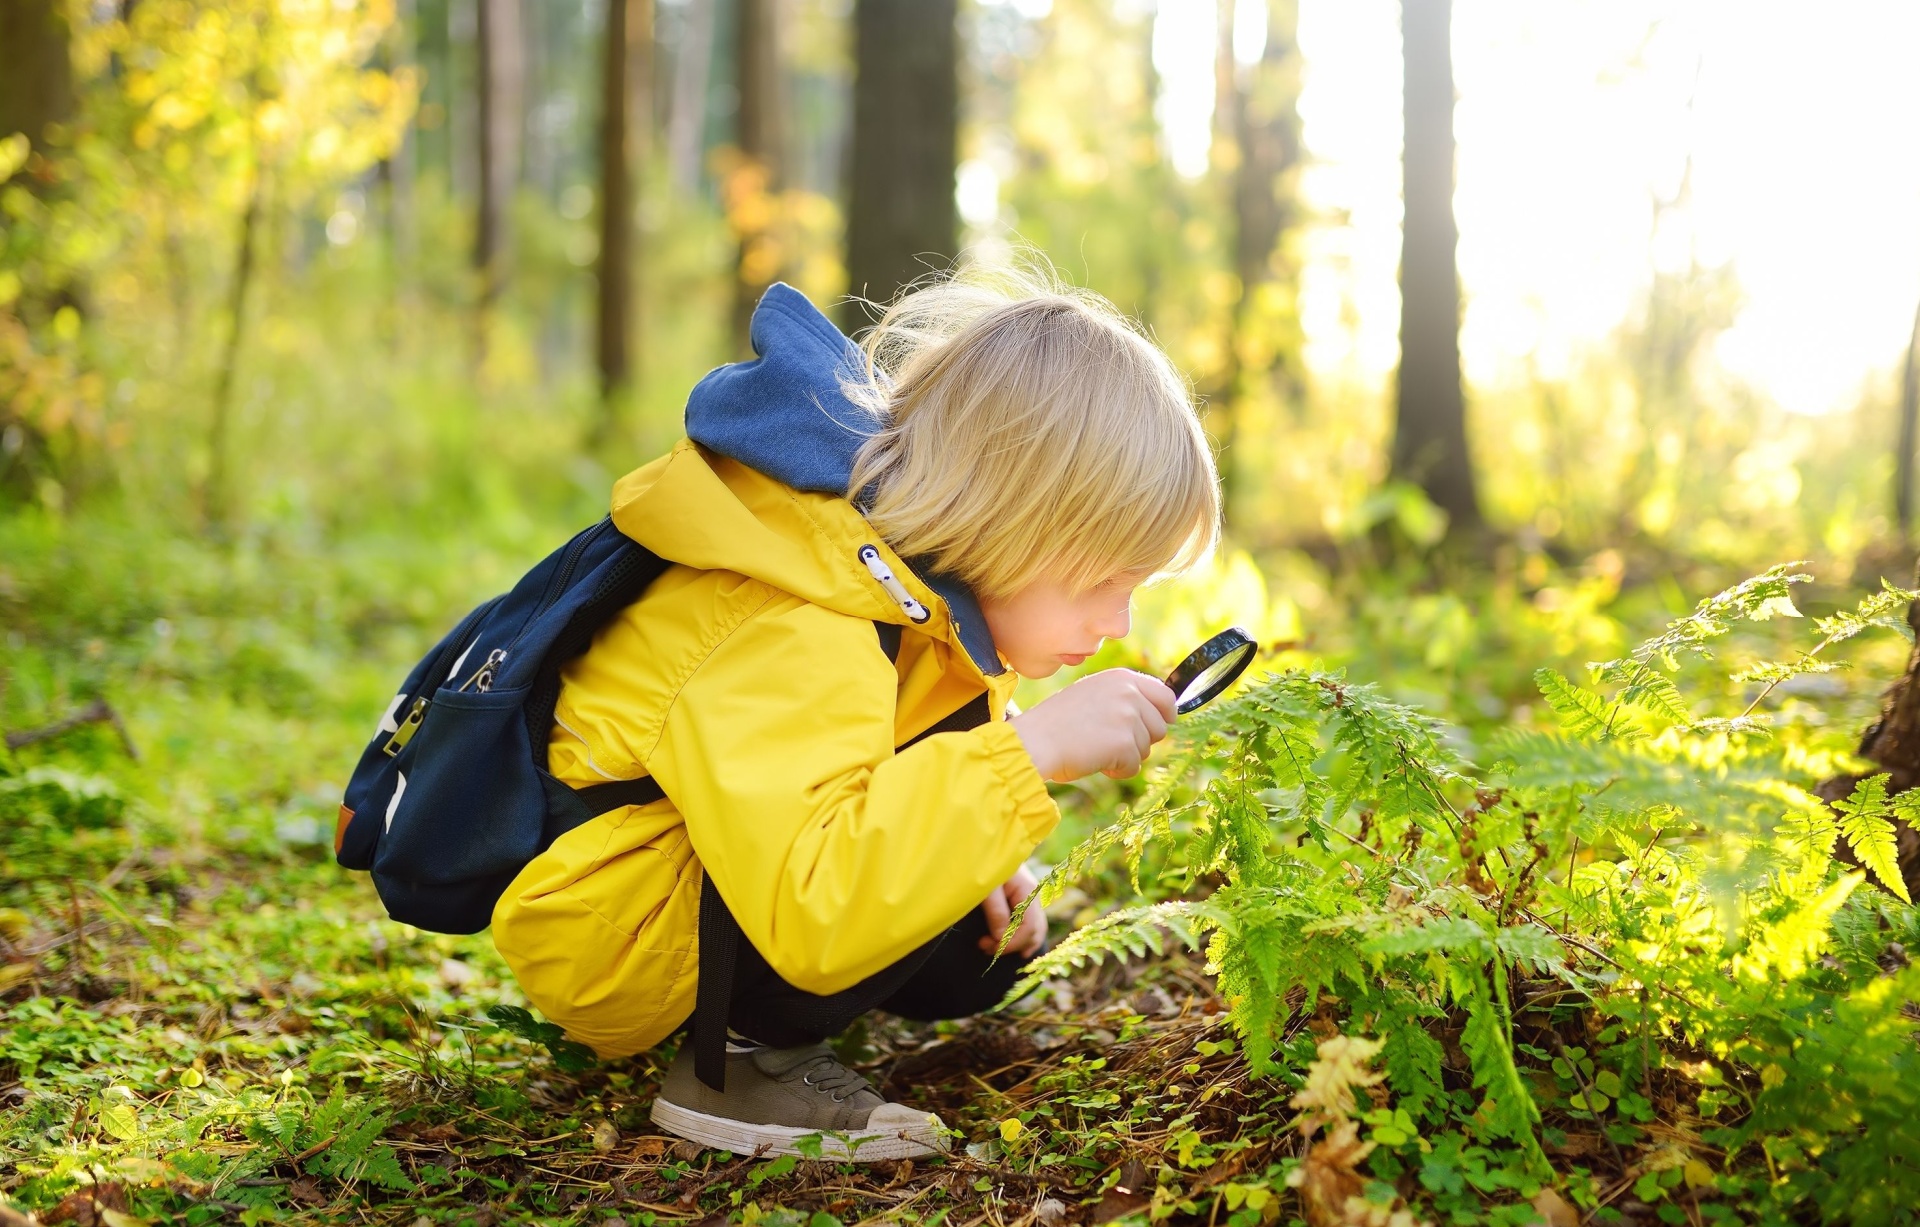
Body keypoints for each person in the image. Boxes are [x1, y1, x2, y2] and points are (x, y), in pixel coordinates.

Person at [490, 264, 1220, 1160]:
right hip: (613, 929)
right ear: (1007, 517)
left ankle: (768, 1021)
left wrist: (983, 844)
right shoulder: (801, 614)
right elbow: (814, 891)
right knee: (904, 886)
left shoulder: (918, 602)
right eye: (1102, 580)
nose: (1119, 624)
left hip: (731, 874)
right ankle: (737, 1067)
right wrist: (1025, 755)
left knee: (974, 946)